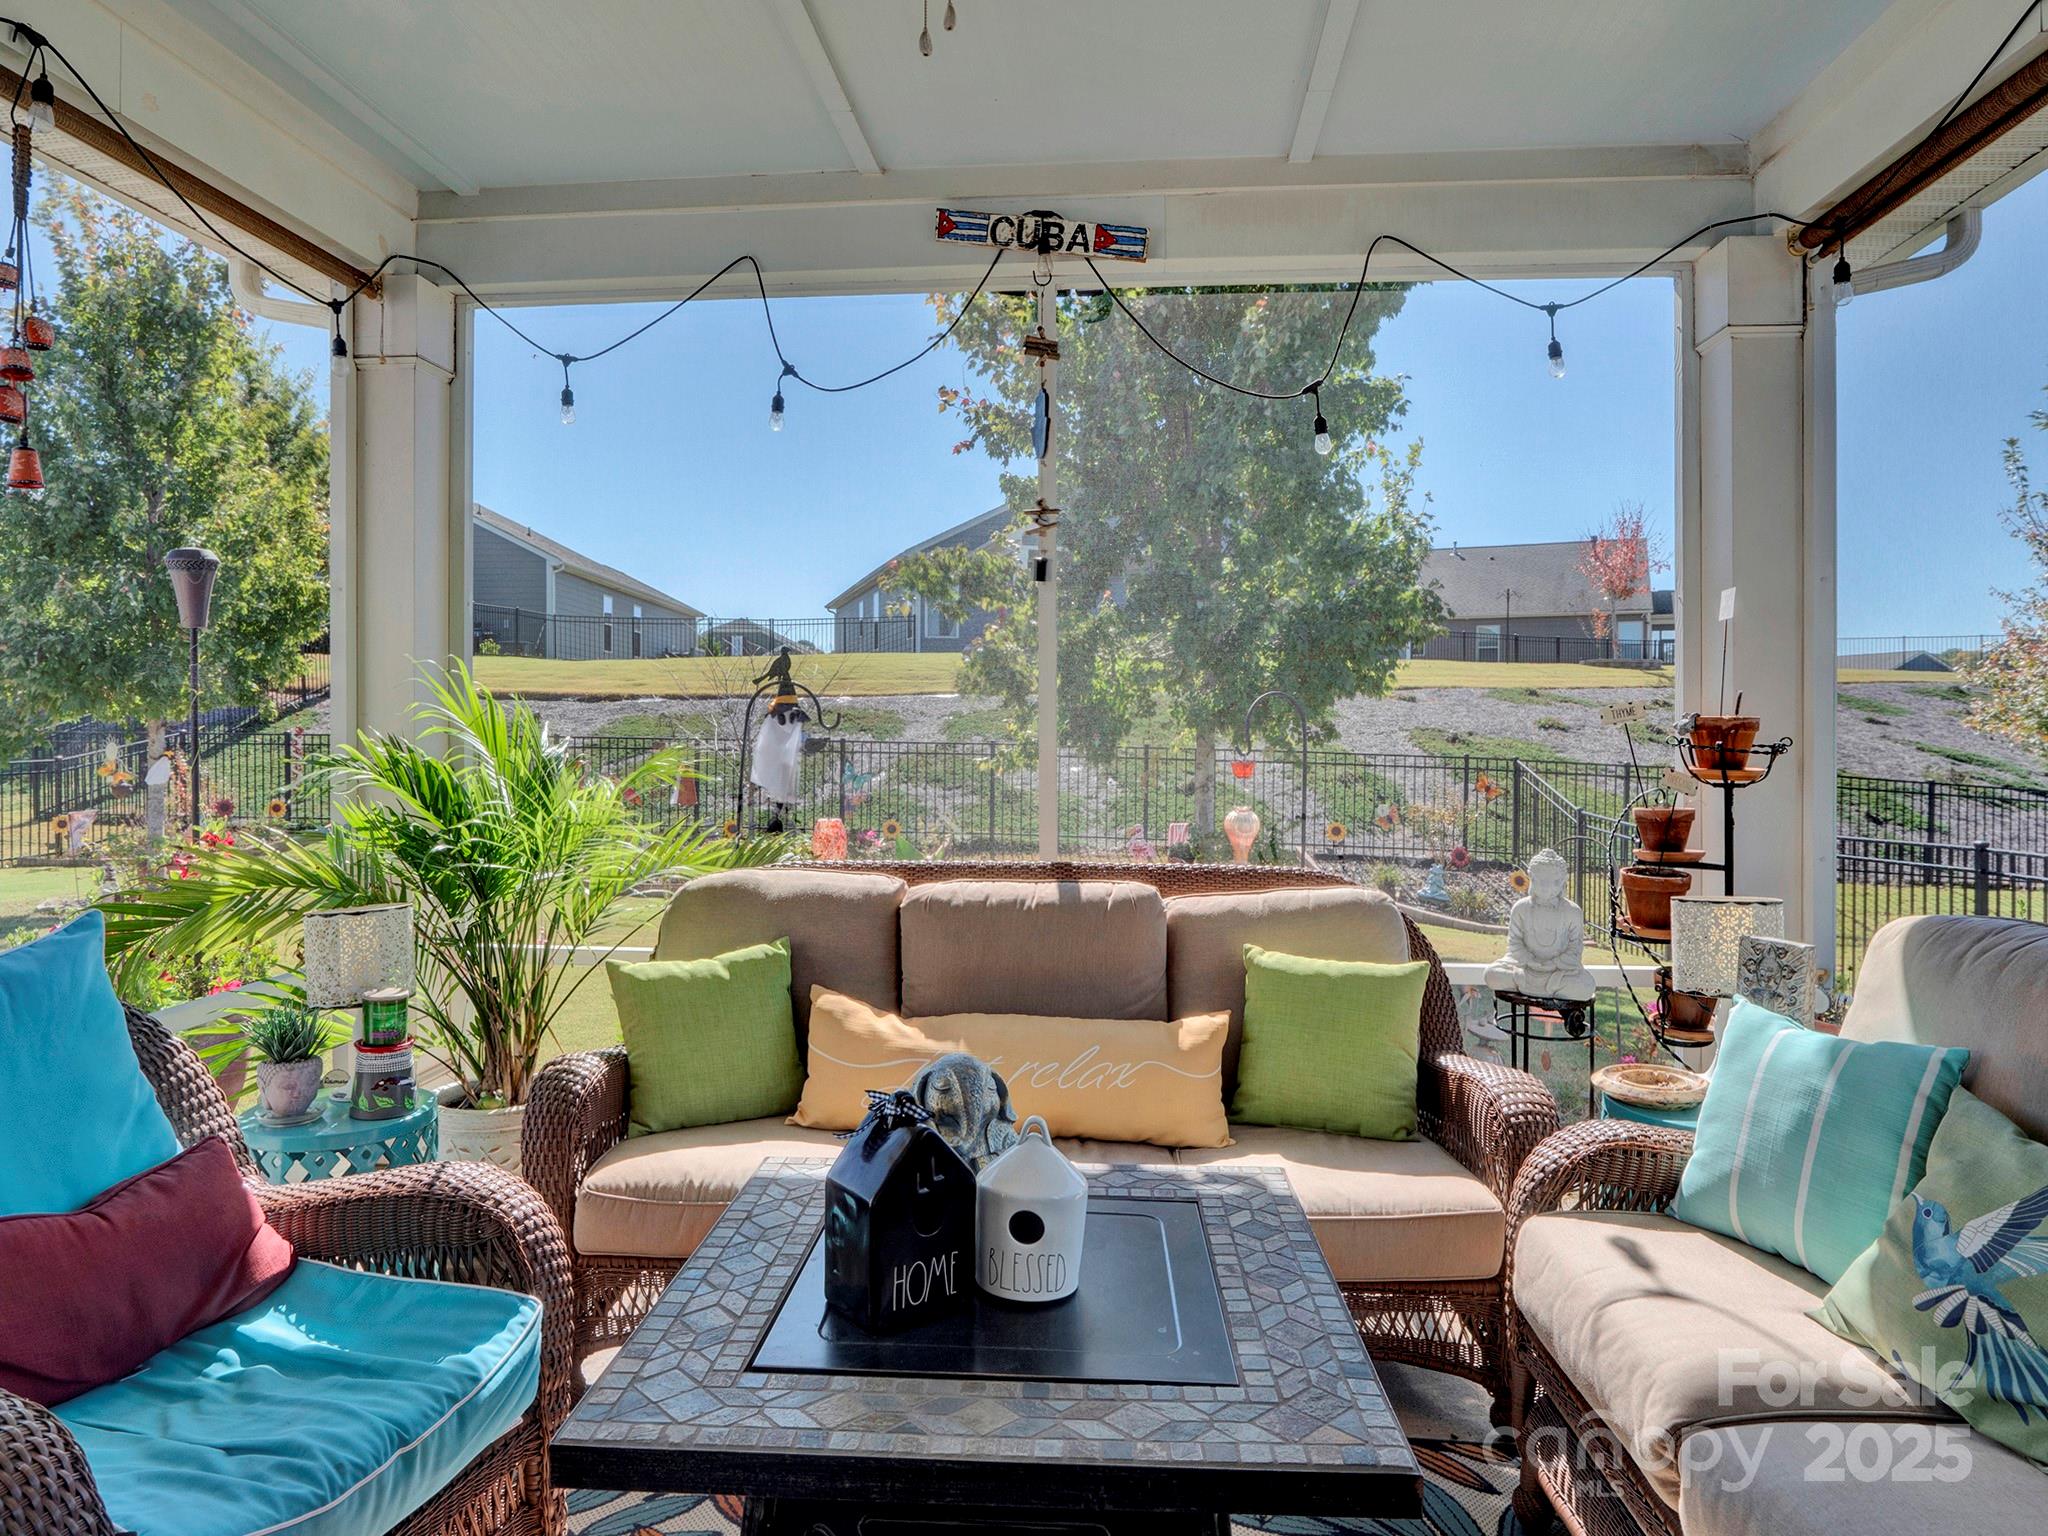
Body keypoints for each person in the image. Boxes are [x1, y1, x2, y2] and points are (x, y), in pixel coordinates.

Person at [1485, 848, 1595, 1001]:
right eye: (1540, 881)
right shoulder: (1521, 908)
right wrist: (1529, 960)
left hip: (1558, 972)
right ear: (1531, 879)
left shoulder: (1572, 912)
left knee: (1585, 986)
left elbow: (1575, 949)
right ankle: (1541, 988)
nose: (1545, 887)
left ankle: (1541, 987)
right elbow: (1514, 943)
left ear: (1562, 882)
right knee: (1492, 975)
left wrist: (1554, 963)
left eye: (1553, 882)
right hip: (1524, 968)